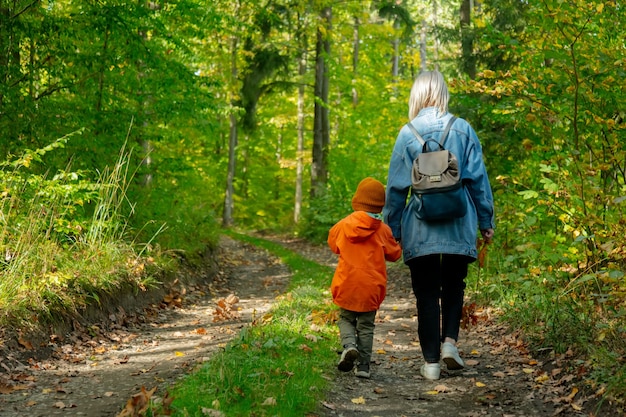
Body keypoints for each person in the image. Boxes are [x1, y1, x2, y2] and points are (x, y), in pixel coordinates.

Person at [383, 70, 495, 380]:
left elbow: (395, 189)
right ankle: (450, 344)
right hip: (459, 223)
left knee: (426, 292)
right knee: (454, 284)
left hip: (420, 226)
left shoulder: (407, 134)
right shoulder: (462, 129)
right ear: (443, 93)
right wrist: (486, 220)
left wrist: (391, 231)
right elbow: (477, 180)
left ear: (416, 95)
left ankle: (431, 363)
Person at [327, 177, 402, 379]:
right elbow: (395, 255)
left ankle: (349, 345)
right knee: (366, 326)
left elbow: (333, 245)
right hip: (371, 287)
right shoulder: (383, 230)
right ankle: (363, 367)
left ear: (357, 201)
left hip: (347, 284)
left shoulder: (343, 226)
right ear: (380, 205)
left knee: (345, 318)